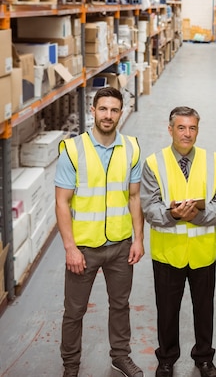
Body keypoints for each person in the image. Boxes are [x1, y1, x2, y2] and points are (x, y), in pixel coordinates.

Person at [55, 87, 145, 377]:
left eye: (114, 110)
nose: (108, 115)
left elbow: (134, 198)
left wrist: (138, 239)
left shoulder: (131, 147)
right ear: (92, 111)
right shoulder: (73, 149)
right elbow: (62, 201)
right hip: (84, 248)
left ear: (121, 112)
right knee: (74, 311)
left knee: (120, 305)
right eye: (103, 109)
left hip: (120, 246)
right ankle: (71, 365)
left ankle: (120, 356)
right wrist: (70, 248)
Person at [140, 106, 216, 377]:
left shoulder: (212, 161)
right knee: (167, 312)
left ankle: (203, 357)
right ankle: (166, 358)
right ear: (170, 130)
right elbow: (148, 207)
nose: (187, 134)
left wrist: (200, 216)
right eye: (181, 127)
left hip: (203, 252)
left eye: (192, 128)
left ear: (197, 130)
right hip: (168, 253)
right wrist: (172, 214)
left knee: (204, 310)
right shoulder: (154, 163)